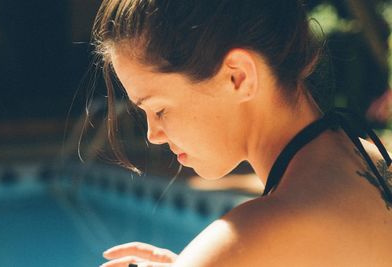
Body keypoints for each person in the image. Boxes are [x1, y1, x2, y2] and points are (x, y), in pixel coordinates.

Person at [92, 0, 392, 266]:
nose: (152, 134)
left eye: (159, 110)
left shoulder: (260, 230)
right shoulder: (373, 162)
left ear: (238, 76)